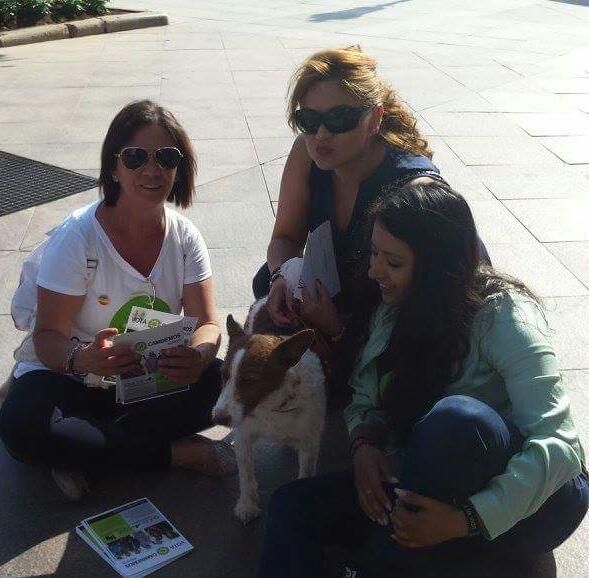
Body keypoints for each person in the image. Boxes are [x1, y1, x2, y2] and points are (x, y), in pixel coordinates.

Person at [256, 182, 588, 578]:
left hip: (529, 500)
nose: (375, 271)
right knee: (291, 504)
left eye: (393, 262)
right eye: (374, 254)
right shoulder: (395, 306)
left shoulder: (505, 316)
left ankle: (394, 561)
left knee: (456, 419)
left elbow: (560, 446)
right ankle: (425, 555)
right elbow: (364, 393)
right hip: (425, 485)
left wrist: (466, 519)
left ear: (436, 268)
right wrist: (364, 444)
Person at [0, 100, 234, 500]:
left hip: (143, 380)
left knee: (220, 382)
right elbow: (48, 337)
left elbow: (208, 323)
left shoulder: (184, 237)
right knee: (22, 427)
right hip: (69, 377)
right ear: (113, 168)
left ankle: (85, 449)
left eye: (166, 157)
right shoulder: (77, 238)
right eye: (135, 157)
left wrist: (197, 355)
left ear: (179, 168)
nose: (152, 169)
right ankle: (174, 453)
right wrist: (83, 359)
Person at [254, 45, 453, 341]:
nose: (322, 134)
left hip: (390, 319)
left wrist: (337, 329)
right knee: (266, 284)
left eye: (340, 118)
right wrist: (281, 275)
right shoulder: (306, 154)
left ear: (374, 119)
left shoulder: (413, 191)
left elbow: (432, 308)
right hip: (330, 296)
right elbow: (285, 238)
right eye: (309, 120)